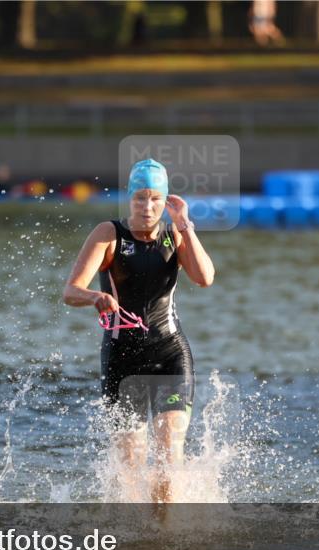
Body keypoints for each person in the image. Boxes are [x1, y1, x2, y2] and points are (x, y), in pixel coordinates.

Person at [63, 158, 215, 503]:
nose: (147, 207)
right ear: (129, 199)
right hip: (123, 360)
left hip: (170, 353)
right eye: (140, 198)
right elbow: (70, 292)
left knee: (169, 455)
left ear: (165, 201)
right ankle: (136, 532)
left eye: (155, 199)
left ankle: (165, 529)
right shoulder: (109, 234)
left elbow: (205, 278)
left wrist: (185, 225)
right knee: (130, 467)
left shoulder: (174, 234)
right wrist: (95, 297)